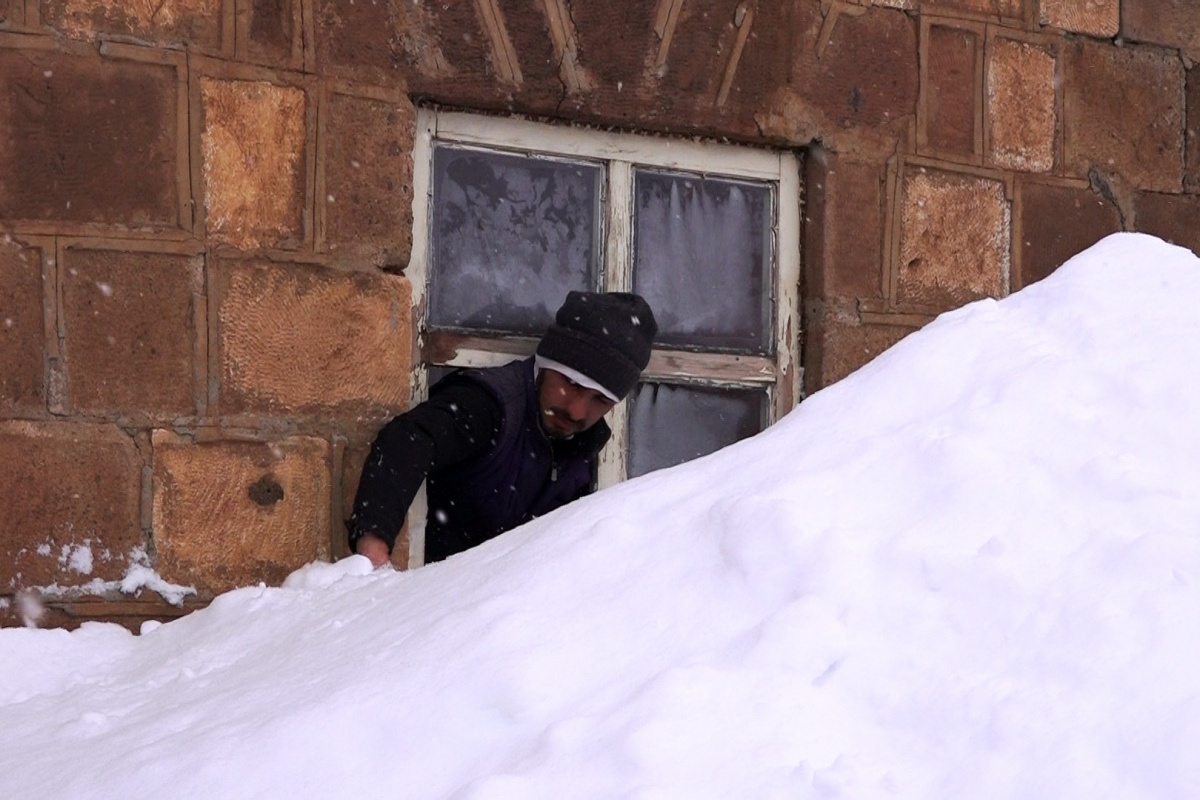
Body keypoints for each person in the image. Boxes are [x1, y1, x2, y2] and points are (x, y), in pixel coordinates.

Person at [347, 291, 658, 566]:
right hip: (437, 607)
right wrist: (374, 546)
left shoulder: (585, 452)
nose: (577, 410)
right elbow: (408, 440)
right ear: (548, 365)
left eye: (600, 400)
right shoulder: (490, 406)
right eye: (572, 385)